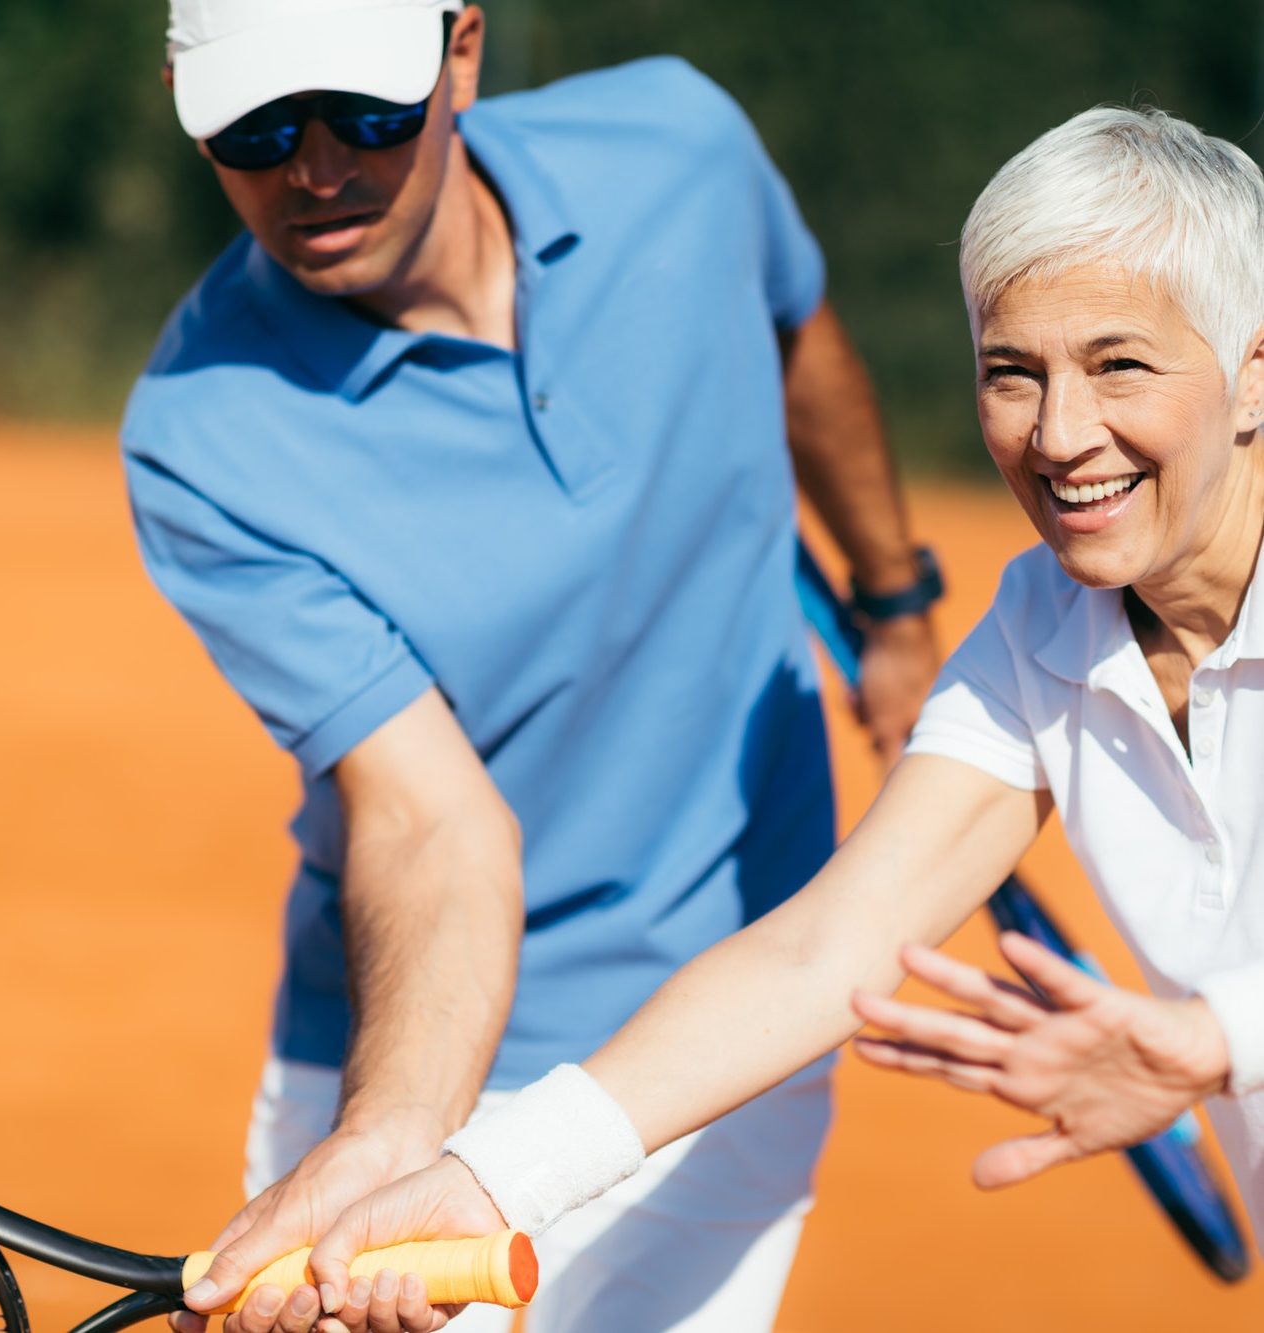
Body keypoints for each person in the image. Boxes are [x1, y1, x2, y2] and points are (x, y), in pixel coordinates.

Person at [264, 104, 1264, 1331]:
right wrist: (487, 1181)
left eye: (1119, 364)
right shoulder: (1040, 629)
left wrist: (1215, 1035)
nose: (1059, 437)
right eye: (1013, 373)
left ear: (1251, 374)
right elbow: (823, 950)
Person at [121, 1, 940, 1330]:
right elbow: (428, 816)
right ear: (183, 101)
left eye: (362, 114)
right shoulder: (198, 434)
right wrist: (390, 1140)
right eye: (257, 128)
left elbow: (799, 342)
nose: (315, 170)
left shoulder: (680, 148)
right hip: (405, 1061)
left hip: (729, 1041)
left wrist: (896, 601)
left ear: (460, 52)